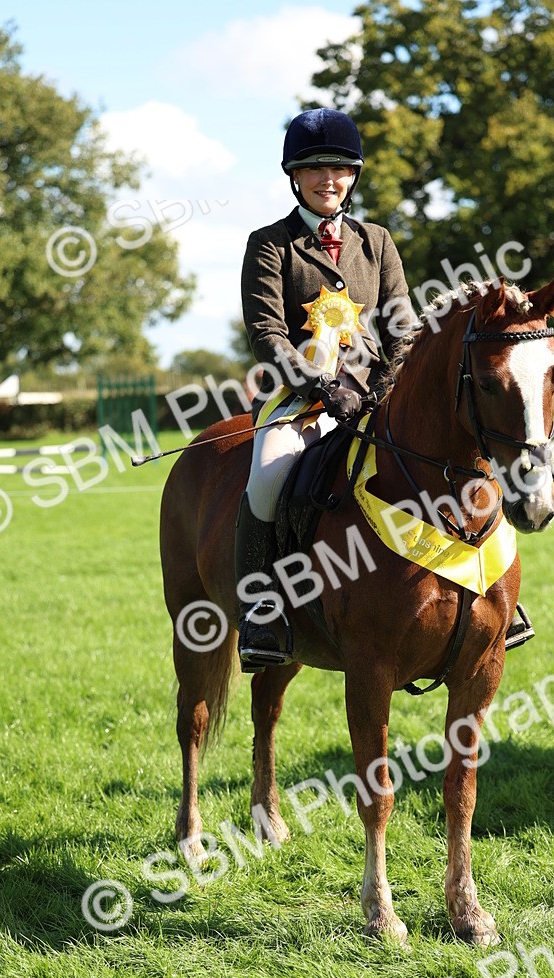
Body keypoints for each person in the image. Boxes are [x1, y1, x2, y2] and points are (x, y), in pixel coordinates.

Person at [236, 108, 414, 671]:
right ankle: (262, 609)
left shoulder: (377, 241)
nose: (328, 179)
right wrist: (320, 383)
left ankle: (496, 599)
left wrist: (381, 390)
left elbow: (403, 329)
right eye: (314, 169)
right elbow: (266, 333)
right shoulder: (271, 244)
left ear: (354, 175)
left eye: (339, 168)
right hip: (302, 402)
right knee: (266, 478)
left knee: (453, 456)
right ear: (294, 176)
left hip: (375, 398)